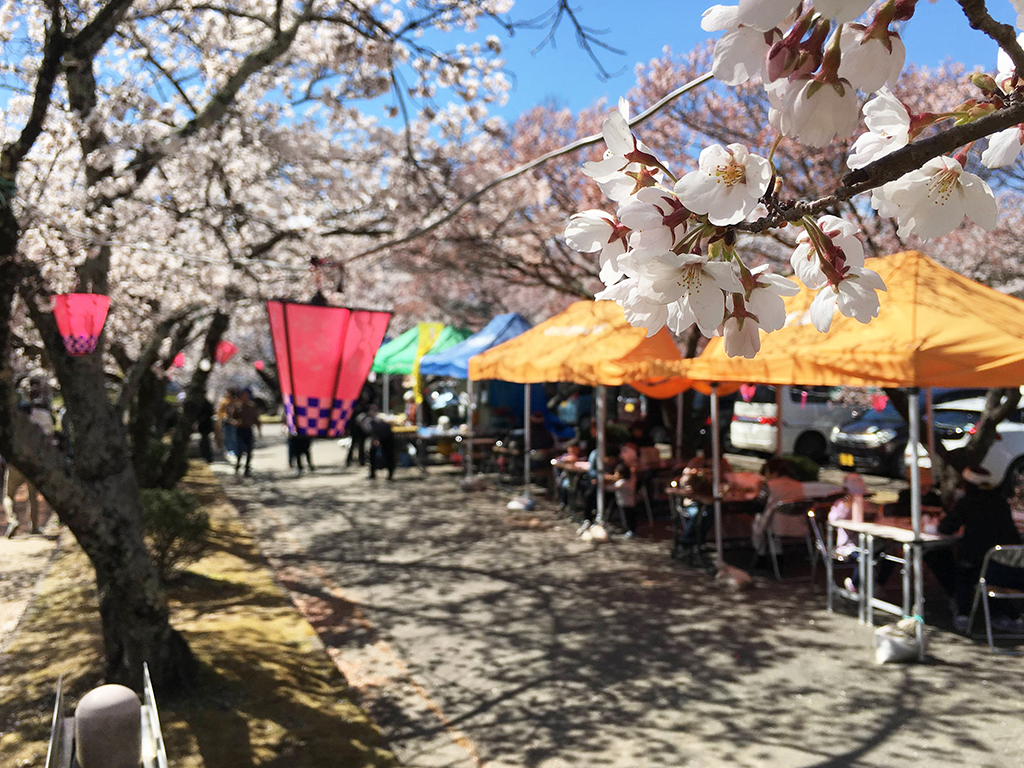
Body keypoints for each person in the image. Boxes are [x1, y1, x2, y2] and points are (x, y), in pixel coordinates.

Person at [924, 465, 1024, 632]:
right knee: (979, 566)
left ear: (966, 485)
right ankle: (1003, 615)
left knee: (962, 568)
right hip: (1014, 568)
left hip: (989, 571)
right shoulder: (1000, 502)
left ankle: (963, 613)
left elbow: (945, 528)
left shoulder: (966, 503)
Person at [751, 456, 806, 557]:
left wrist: (757, 491)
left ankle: (760, 555)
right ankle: (777, 556)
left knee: (759, 520)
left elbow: (758, 505)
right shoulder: (798, 485)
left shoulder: (768, 485)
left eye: (766, 473)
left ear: (774, 473)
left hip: (776, 526)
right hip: (799, 525)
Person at [357, 407, 395, 481]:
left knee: (388, 455)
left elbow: (374, 431)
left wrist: (376, 439)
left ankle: (389, 473)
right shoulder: (368, 422)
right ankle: (373, 473)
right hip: (379, 437)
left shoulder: (370, 422)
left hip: (386, 437)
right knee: (372, 454)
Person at [228, 389, 261, 477]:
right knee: (240, 448)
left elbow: (256, 419)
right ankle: (238, 465)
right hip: (240, 430)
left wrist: (259, 430)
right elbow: (231, 419)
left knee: (249, 449)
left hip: (249, 429)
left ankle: (247, 467)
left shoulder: (252, 406)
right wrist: (235, 422)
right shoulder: (236, 407)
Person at [197, 395, 215, 463]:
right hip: (205, 425)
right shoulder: (206, 404)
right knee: (205, 441)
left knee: (205, 441)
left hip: (205, 425)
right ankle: (206, 456)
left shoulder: (204, 404)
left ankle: (207, 456)